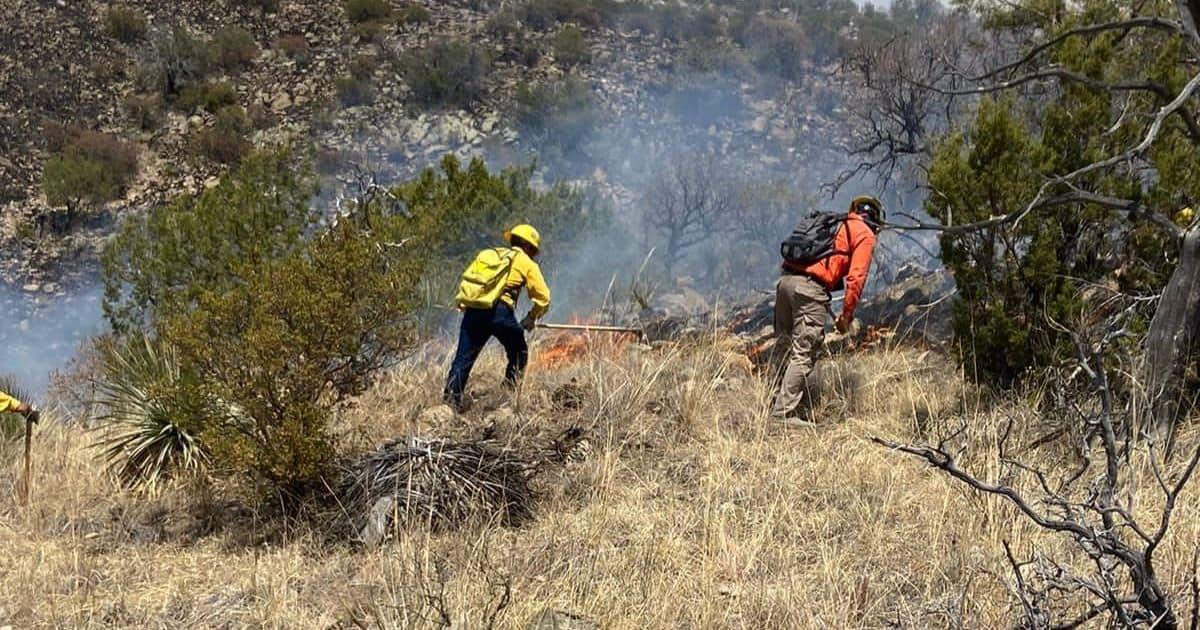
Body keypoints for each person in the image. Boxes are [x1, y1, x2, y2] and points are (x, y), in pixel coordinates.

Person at [772, 195, 883, 422]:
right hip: (810, 290)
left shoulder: (836, 223)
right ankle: (781, 415)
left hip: (786, 282)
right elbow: (856, 278)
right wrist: (847, 316)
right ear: (875, 219)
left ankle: (773, 399)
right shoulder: (864, 233)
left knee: (784, 344)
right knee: (804, 352)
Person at [443, 224, 551, 410]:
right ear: (528, 247)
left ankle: (448, 406)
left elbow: (470, 280)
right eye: (534, 250)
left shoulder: (489, 254)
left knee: (462, 360)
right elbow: (543, 298)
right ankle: (507, 398)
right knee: (519, 353)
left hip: (474, 310)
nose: (534, 255)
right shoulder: (526, 262)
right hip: (499, 312)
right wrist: (531, 317)